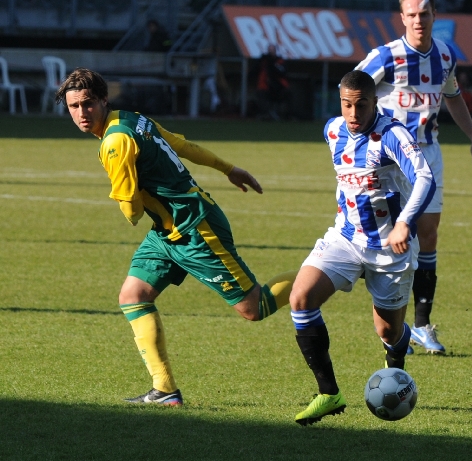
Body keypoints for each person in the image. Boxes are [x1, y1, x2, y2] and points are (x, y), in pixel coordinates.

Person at [56, 68, 296, 406]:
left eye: (88, 104)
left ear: (103, 101)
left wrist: (130, 188)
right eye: (74, 107)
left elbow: (132, 213)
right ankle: (165, 390)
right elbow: (180, 144)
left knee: (254, 308)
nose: (82, 113)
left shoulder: (116, 141)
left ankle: (330, 271)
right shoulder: (131, 119)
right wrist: (228, 168)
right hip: (167, 232)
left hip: (196, 229)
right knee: (133, 295)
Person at [290, 70, 435, 425]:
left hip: (391, 248)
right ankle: (329, 394)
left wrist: (404, 223)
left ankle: (396, 370)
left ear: (375, 102)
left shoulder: (392, 135)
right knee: (301, 299)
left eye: (361, 105)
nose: (353, 113)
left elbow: (425, 178)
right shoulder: (332, 130)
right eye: (347, 104)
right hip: (345, 237)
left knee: (388, 331)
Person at [355, 0, 472, 355]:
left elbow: (453, 96)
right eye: (411, 14)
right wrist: (359, 138)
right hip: (391, 160)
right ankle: (393, 327)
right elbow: (352, 88)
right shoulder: (386, 56)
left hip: (429, 154)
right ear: (402, 18)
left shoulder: (445, 55)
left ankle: (423, 326)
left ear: (433, 16)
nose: (418, 20)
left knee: (428, 235)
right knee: (393, 243)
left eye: (424, 13)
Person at [255, 44, 290, 120]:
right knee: (262, 96)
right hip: (265, 86)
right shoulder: (263, 61)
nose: (270, 52)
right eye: (269, 50)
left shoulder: (279, 61)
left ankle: (280, 115)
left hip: (278, 87)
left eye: (272, 50)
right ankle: (266, 114)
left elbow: (282, 72)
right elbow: (255, 69)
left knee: (284, 96)